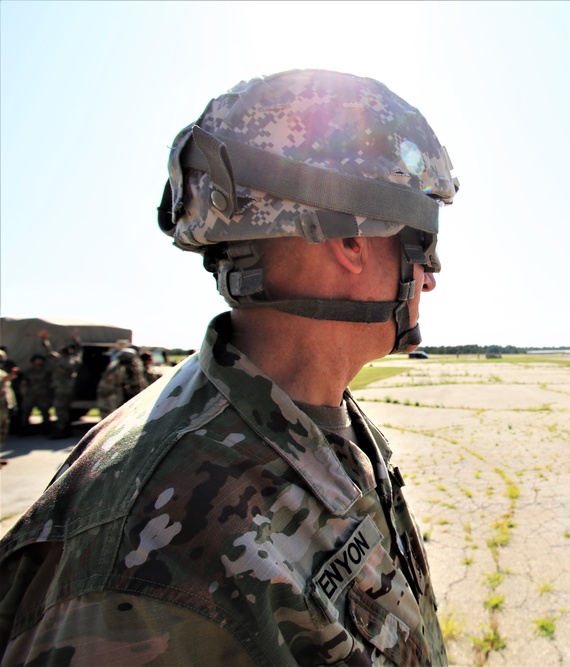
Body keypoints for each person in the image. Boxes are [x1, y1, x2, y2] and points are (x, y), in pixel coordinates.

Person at [0, 69, 458, 666]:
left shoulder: (317, 416)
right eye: (422, 237)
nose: (431, 273)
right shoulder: (154, 561)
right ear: (353, 239)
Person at [39, 329, 82, 439]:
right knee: (65, 409)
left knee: (60, 409)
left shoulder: (58, 361)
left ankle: (60, 431)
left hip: (60, 389)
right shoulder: (75, 361)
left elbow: (48, 352)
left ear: (62, 353)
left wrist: (45, 340)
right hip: (70, 388)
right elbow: (79, 351)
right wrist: (76, 340)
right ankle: (66, 429)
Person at [95, 344, 147, 418]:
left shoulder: (127, 367)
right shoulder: (116, 368)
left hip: (117, 395)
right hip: (111, 396)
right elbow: (110, 385)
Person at [17, 352, 52, 436]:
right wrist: (24, 393)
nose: (38, 362)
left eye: (39, 360)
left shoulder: (46, 371)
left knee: (45, 412)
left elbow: (50, 382)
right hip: (31, 394)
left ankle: (46, 429)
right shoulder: (29, 371)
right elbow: (24, 383)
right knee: (26, 412)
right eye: (36, 360)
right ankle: (24, 429)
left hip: (43, 394)